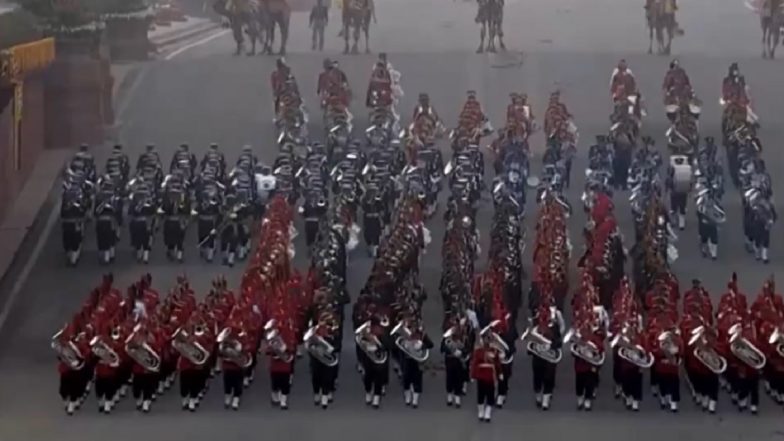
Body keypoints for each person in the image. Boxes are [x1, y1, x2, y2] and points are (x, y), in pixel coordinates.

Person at [471, 332, 501, 422]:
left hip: (490, 375)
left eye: (489, 339)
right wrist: (473, 375)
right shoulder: (478, 351)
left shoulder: (494, 351)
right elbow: (474, 364)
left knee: (490, 395)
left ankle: (488, 413)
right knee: (481, 395)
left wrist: (500, 373)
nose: (487, 341)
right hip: (481, 375)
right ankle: (481, 412)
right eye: (485, 339)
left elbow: (497, 363)